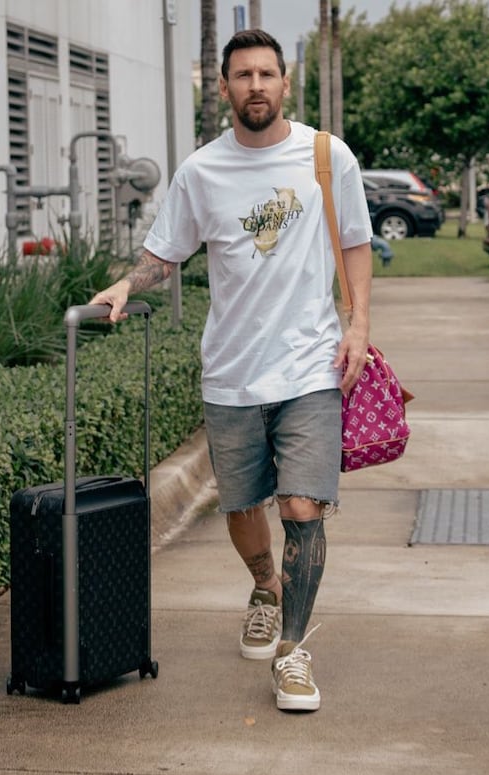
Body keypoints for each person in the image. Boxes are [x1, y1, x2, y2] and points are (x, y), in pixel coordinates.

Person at [89, 29, 373, 711]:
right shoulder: (200, 172)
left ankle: (292, 651)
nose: (254, 86)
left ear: (284, 84)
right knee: (242, 505)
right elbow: (166, 253)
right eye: (241, 75)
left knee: (302, 508)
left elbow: (357, 242)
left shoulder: (324, 156)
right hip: (231, 372)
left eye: (265, 74)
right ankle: (264, 587)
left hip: (308, 366)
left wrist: (358, 322)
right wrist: (128, 285)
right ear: (222, 88)